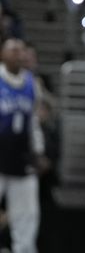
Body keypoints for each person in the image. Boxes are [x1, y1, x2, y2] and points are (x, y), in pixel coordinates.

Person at [0, 38, 44, 253]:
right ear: (2, 55)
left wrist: (39, 152)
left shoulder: (31, 83)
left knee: (26, 220)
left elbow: (34, 124)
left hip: (21, 158)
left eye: (22, 51)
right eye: (13, 50)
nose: (19, 54)